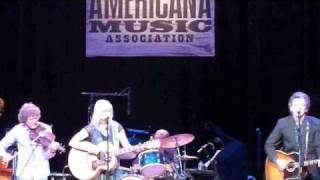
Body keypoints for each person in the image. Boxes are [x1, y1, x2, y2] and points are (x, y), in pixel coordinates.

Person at [68, 99, 133, 180]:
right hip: (95, 172)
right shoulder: (91, 128)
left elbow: (128, 149)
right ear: (98, 112)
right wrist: (95, 150)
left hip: (113, 172)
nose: (107, 114)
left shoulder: (117, 127)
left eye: (109, 111)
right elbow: (72, 142)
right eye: (104, 111)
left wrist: (135, 150)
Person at [265, 91, 320, 180]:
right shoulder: (282, 123)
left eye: (302, 105)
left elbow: (319, 145)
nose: (299, 108)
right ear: (291, 107)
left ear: (306, 108)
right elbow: (269, 145)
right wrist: (277, 160)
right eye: (296, 105)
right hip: (288, 171)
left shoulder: (316, 123)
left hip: (311, 170)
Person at [0, 102, 60, 180]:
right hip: (24, 173)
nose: (34, 121)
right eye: (30, 119)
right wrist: (4, 156)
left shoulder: (46, 128)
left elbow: (46, 156)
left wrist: (52, 151)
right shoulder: (18, 129)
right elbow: (1, 145)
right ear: (24, 119)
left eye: (36, 118)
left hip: (41, 173)